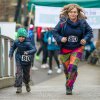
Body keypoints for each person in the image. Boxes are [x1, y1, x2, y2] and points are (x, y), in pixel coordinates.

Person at [52, 4, 93, 95]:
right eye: (71, 12)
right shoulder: (63, 22)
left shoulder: (82, 22)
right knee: (68, 70)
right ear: (68, 13)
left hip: (77, 48)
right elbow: (55, 31)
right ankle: (71, 76)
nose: (73, 14)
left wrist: (85, 39)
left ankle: (69, 87)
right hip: (65, 50)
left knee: (72, 67)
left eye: (75, 12)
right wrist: (60, 38)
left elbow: (89, 32)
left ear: (78, 13)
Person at [9, 28, 36, 93]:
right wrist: (11, 54)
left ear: (25, 37)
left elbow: (34, 49)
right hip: (18, 58)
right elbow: (12, 47)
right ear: (18, 36)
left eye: (23, 37)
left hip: (27, 59)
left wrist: (28, 52)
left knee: (26, 75)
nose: (21, 38)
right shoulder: (16, 41)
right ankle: (19, 87)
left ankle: (27, 84)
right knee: (19, 72)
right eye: (20, 37)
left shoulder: (28, 43)